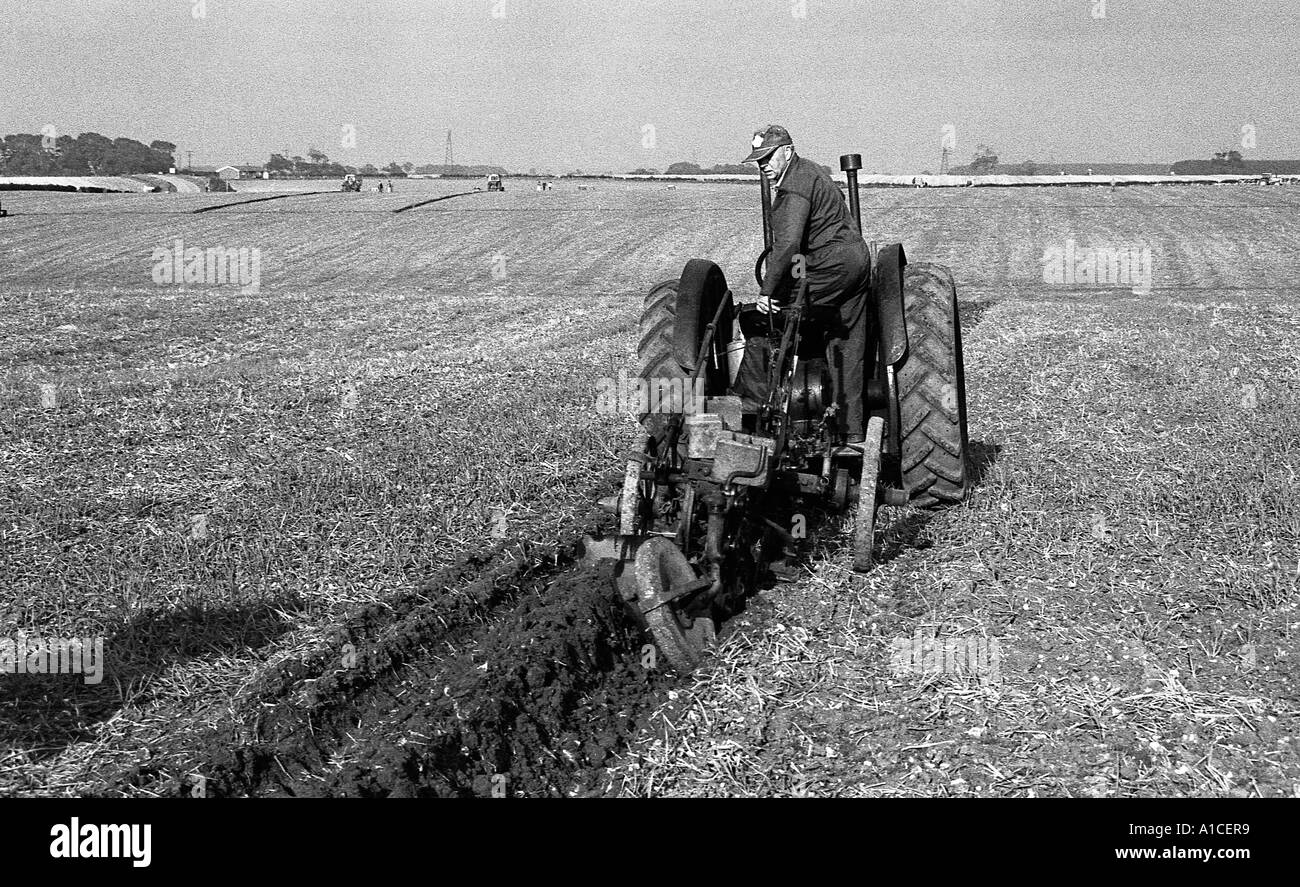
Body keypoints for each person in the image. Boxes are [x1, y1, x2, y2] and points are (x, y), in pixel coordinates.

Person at [735, 124, 872, 445]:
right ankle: (850, 432)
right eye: (758, 161)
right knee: (846, 344)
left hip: (828, 265)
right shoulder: (813, 173)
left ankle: (752, 413)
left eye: (768, 157)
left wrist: (767, 292)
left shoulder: (793, 188)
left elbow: (787, 246)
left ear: (788, 151)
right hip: (856, 262)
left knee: (769, 320)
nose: (764, 166)